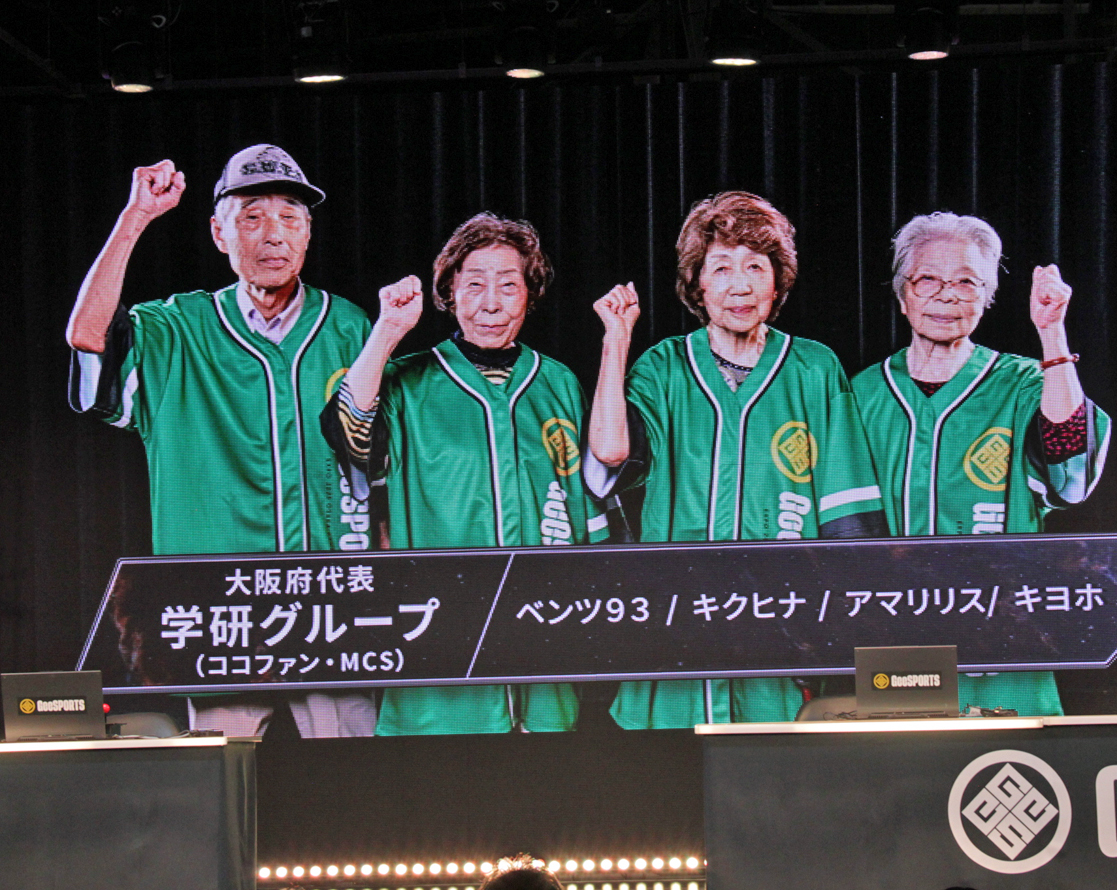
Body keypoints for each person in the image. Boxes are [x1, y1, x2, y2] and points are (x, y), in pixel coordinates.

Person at [66, 144, 377, 737]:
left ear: (308, 233)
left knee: (354, 776)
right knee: (223, 776)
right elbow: (88, 336)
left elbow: (379, 468)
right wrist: (136, 217)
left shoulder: (349, 326)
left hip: (330, 609)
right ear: (219, 233)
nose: (273, 233)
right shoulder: (176, 329)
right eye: (252, 216)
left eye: (290, 216)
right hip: (219, 612)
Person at [587, 191, 888, 729]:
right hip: (678, 614)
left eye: (755, 266)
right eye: (721, 267)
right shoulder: (663, 367)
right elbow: (610, 450)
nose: (740, 285)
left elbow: (850, 525)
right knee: (670, 765)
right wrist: (617, 340)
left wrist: (830, 636)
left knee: (772, 764)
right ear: (698, 284)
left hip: (782, 620)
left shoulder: (814, 368)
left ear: (777, 281)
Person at [324, 212, 607, 735]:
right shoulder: (408, 381)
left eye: (508, 285)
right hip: (439, 632)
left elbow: (585, 509)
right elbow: (348, 434)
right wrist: (388, 330)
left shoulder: (558, 383)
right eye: (474, 285)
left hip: (541, 633)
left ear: (530, 293)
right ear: (450, 293)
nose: (491, 303)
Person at [852, 211, 1111, 716]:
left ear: (987, 297)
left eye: (967, 282)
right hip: (892, 643)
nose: (947, 296)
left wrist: (1052, 334)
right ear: (903, 295)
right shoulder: (860, 395)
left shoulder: (1024, 382)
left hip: (1003, 640)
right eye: (928, 279)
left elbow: (1070, 467)